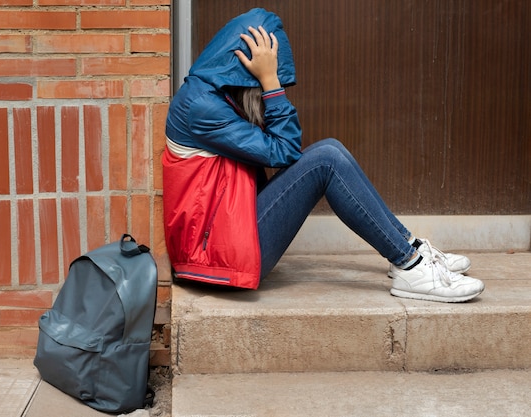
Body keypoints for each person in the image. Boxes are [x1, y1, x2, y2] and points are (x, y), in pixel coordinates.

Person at [162, 8, 484, 303]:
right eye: (260, 81)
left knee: (330, 153)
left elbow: (280, 150)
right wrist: (271, 82)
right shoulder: (200, 107)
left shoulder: (213, 98)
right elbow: (285, 150)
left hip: (228, 234)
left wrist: (269, 81)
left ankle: (409, 249)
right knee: (327, 158)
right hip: (214, 254)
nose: (263, 94)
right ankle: (411, 266)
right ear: (243, 72)